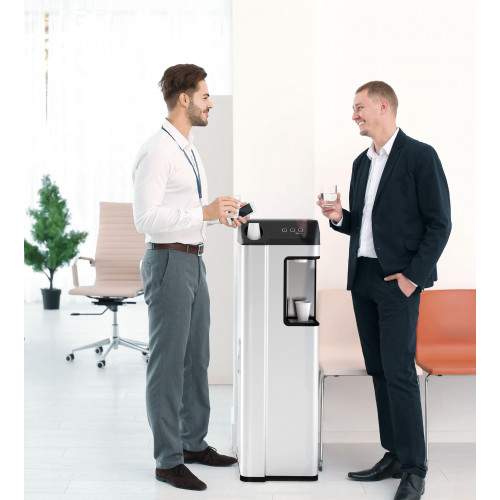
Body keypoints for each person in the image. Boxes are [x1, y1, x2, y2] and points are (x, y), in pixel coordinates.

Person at [317, 81, 451, 500]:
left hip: (399, 282)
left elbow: (440, 223)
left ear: (383, 106)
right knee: (378, 369)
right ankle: (394, 453)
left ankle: (414, 469)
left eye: (359, 107)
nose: (354, 115)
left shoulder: (420, 156)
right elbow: (365, 225)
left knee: (399, 372)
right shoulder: (362, 163)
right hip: (364, 279)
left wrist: (412, 276)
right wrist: (339, 217)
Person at [133, 64, 245, 491]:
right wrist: (203, 211)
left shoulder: (189, 149)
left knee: (197, 358)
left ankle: (193, 443)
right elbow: (146, 218)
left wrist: (218, 215)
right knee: (168, 365)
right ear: (184, 99)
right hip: (168, 262)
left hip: (193, 260)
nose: (210, 102)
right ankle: (168, 459)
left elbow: (186, 210)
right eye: (204, 95)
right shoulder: (157, 150)